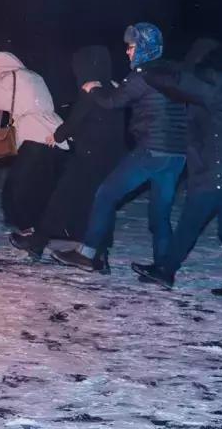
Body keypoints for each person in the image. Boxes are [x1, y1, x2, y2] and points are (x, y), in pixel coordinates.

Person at [52, 23, 187, 272]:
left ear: (144, 48)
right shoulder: (174, 73)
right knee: (160, 214)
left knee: (105, 194)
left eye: (131, 47)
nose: (127, 52)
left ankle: (88, 254)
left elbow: (111, 102)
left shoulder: (142, 74)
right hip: (176, 155)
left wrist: (95, 89)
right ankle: (164, 269)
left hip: (150, 151)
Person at [132, 40, 222, 299]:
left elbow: (179, 82)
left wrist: (144, 70)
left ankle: (166, 271)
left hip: (219, 168)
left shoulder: (214, 82)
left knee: (190, 222)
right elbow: (184, 77)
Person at [9, 46, 126, 260]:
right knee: (98, 204)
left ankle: (37, 243)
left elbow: (75, 119)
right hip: (109, 159)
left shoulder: (91, 90)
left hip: (87, 157)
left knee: (60, 199)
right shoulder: (115, 89)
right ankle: (98, 253)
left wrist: (58, 136)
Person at [0, 51, 68, 237]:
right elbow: (3, 88)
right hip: (55, 135)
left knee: (18, 188)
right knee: (43, 186)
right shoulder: (33, 76)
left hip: (35, 136)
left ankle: (28, 230)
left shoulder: (11, 78)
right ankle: (46, 228)